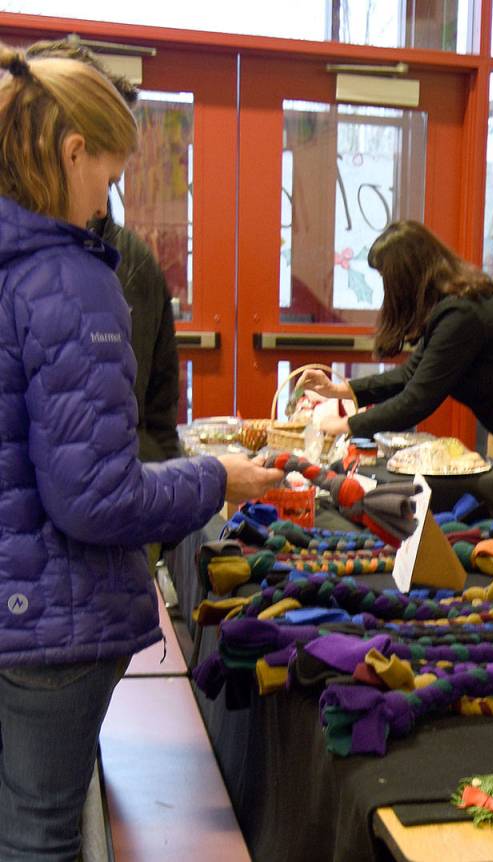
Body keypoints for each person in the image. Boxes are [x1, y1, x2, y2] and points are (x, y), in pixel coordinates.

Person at [0, 48, 283, 860]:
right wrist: (213, 477)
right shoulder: (70, 278)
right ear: (72, 152)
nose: (108, 201)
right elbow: (92, 497)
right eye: (111, 173)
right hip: (51, 623)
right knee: (40, 833)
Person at [298, 219, 493, 527]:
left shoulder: (461, 313)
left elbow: (417, 400)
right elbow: (413, 374)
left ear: (405, 278)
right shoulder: (452, 308)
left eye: (387, 279)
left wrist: (345, 424)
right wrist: (341, 391)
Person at [27, 37, 183, 463]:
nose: (102, 201)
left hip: (128, 513)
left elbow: (155, 419)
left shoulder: (133, 263)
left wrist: (171, 515)